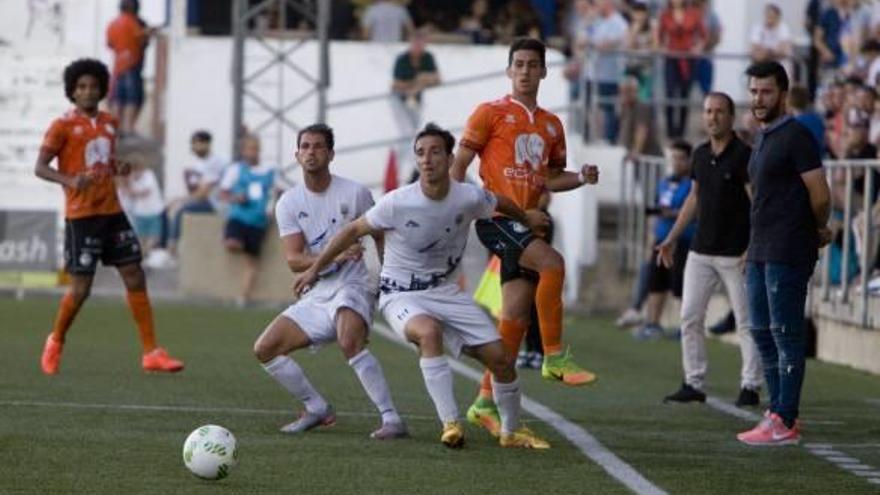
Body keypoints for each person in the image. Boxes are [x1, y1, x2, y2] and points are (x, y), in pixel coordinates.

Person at [293, 124, 550, 450]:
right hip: (401, 293)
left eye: (434, 152)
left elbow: (498, 201)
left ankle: (511, 432)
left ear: (449, 157)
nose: (426, 159)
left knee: (500, 359)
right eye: (420, 153)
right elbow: (351, 231)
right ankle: (450, 424)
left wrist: (526, 219)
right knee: (428, 333)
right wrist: (315, 269)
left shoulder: (467, 196)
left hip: (445, 291)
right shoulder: (397, 202)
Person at [451, 38, 600, 436]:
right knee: (554, 264)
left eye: (533, 64)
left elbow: (552, 176)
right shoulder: (490, 113)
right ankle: (553, 356)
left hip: (528, 225)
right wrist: (462, 206)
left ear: (544, 71)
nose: (525, 71)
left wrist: (581, 178)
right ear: (508, 70)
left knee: (513, 318)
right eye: (518, 64)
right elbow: (459, 165)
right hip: (496, 218)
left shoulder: (552, 124)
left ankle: (484, 402)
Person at [252, 124, 406, 439]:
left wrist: (388, 278)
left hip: (354, 286)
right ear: (296, 155)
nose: (311, 152)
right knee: (265, 348)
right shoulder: (288, 203)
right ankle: (316, 408)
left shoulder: (355, 193)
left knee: (349, 340)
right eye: (305, 146)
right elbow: (294, 260)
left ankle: (391, 418)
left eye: (318, 146)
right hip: (317, 293)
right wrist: (332, 257)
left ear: (331, 154)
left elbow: (380, 234)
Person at [35, 58, 183, 375]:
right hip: (82, 216)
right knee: (81, 289)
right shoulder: (61, 125)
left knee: (135, 274)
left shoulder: (109, 122)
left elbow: (106, 161)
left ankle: (151, 352)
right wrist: (71, 180)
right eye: (82, 87)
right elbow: (41, 167)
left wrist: (119, 168)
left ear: (102, 89)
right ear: (72, 92)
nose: (88, 92)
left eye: (93, 86)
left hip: (112, 211)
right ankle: (56, 340)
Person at [736, 61, 831, 447]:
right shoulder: (762, 137)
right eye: (754, 91)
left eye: (767, 92)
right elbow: (761, 196)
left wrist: (816, 229)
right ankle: (777, 409)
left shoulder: (797, 136)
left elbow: (820, 193)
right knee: (760, 331)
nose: (759, 99)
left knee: (786, 333)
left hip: (788, 248)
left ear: (783, 94)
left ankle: (785, 418)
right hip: (760, 248)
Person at [657, 93, 762, 406]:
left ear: (730, 117)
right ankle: (693, 382)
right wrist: (672, 237)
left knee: (745, 321)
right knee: (689, 317)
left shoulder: (745, 155)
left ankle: (751, 385)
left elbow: (757, 202)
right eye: (707, 111)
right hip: (701, 250)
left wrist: (753, 246)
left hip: (736, 253)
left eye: (719, 112)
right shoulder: (700, 154)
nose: (712, 117)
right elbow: (694, 198)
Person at [634, 140, 695, 340]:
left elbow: (694, 211)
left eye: (680, 159)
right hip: (661, 240)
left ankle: (683, 327)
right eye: (674, 158)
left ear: (688, 160)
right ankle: (653, 323)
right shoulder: (664, 182)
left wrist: (673, 213)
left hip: (683, 241)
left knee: (680, 284)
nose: (676, 163)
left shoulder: (692, 185)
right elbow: (654, 209)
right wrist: (651, 237)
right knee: (656, 282)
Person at [218, 135, 276, 307]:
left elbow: (274, 193)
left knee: (252, 261)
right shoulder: (236, 169)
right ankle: (228, 237)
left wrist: (270, 210)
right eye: (249, 149)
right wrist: (236, 198)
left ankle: (244, 296)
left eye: (255, 149)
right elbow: (223, 193)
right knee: (232, 243)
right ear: (243, 151)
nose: (253, 152)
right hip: (239, 217)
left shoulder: (269, 171)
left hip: (258, 221)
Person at [166, 130, 227, 258]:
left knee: (180, 210)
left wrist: (180, 201)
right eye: (193, 143)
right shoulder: (199, 164)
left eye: (197, 143)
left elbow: (204, 193)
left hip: (216, 204)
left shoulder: (215, 161)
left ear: (207, 144)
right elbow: (195, 190)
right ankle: (161, 247)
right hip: (205, 201)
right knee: (165, 210)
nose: (193, 147)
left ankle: (172, 248)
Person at [391, 28, 440, 179]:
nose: (418, 46)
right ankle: (403, 168)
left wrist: (420, 82)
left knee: (413, 133)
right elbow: (396, 84)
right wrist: (418, 82)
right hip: (399, 99)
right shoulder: (402, 59)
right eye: (415, 42)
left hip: (415, 101)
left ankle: (410, 169)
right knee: (407, 132)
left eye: (421, 42)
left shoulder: (428, 57)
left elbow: (437, 79)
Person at [579, 0, 628, 143]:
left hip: (610, 75)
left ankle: (609, 139)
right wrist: (587, 23)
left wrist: (591, 43)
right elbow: (581, 41)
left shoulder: (619, 23)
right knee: (586, 106)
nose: (596, 5)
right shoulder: (595, 21)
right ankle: (587, 136)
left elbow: (606, 45)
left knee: (609, 109)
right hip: (591, 74)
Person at [656, 0, 707, 138]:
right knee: (670, 94)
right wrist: (663, 49)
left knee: (685, 95)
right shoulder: (665, 14)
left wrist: (698, 48)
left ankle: (681, 132)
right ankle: (670, 132)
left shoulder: (694, 14)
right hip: (672, 59)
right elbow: (659, 37)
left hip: (688, 59)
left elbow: (703, 35)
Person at [106, 0, 152, 136]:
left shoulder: (113, 23)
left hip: (119, 65)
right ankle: (129, 128)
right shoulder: (132, 22)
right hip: (132, 64)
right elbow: (140, 38)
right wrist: (149, 32)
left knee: (118, 98)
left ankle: (116, 128)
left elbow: (109, 44)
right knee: (134, 97)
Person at [125, 160, 165, 254]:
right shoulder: (131, 180)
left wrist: (133, 192)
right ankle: (143, 256)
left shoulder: (149, 175)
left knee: (154, 237)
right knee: (140, 238)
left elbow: (145, 192)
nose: (134, 174)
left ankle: (148, 253)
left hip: (153, 212)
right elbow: (129, 193)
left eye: (136, 171)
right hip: (140, 213)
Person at [750, 3, 793, 72]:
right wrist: (772, 52)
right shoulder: (757, 27)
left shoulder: (784, 29)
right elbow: (754, 49)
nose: (768, 19)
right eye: (767, 15)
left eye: (771, 16)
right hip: (762, 68)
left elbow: (784, 50)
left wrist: (765, 53)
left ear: (778, 17)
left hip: (780, 68)